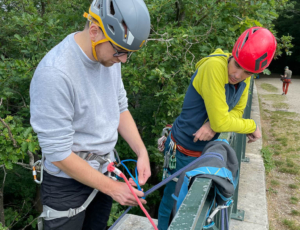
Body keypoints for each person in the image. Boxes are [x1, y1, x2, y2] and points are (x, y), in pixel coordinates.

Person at [30, 0, 151, 229]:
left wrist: (141, 151)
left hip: (105, 171)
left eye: (128, 53)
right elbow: (59, 153)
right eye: (120, 51)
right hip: (66, 184)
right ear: (95, 31)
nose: (123, 60)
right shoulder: (54, 74)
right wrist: (113, 188)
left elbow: (120, 107)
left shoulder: (109, 58)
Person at [157, 27, 277, 230]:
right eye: (237, 65)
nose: (238, 75)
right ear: (234, 54)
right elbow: (225, 121)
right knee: (172, 202)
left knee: (197, 207)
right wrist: (251, 125)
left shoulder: (244, 80)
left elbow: (236, 112)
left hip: (206, 153)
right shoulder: (214, 67)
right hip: (183, 149)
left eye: (247, 72)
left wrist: (213, 124)